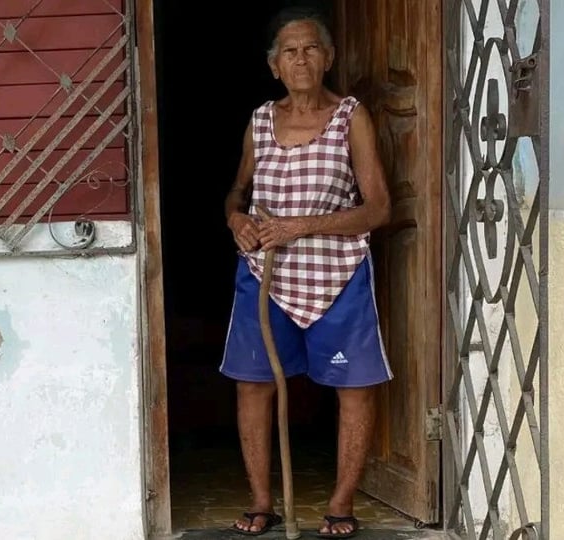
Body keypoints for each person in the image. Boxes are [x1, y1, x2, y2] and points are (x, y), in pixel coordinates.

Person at [220, 7, 392, 538]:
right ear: (274, 66)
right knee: (252, 384)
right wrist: (235, 220)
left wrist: (300, 227)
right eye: (289, 51)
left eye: (311, 48)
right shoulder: (259, 122)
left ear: (329, 57)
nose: (301, 58)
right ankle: (261, 500)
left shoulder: (350, 117)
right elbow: (237, 193)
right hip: (265, 274)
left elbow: (378, 207)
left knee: (355, 386)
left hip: (338, 274)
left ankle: (340, 504)